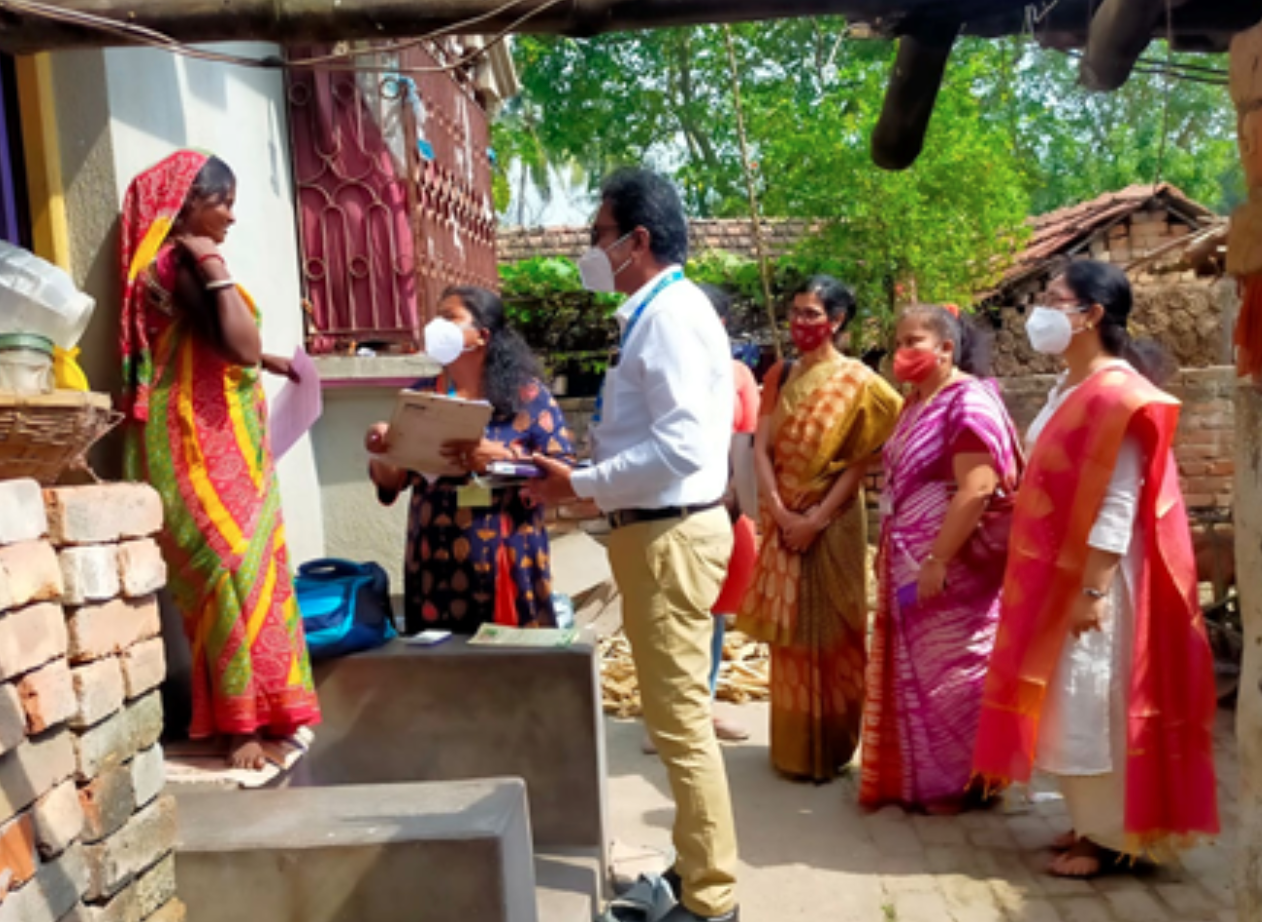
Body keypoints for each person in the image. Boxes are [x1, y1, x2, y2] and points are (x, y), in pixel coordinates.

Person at [527, 168, 739, 922]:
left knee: (680, 723)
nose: (591, 251)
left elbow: (678, 451)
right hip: (655, 533)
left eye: (597, 236)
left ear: (636, 241)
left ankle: (713, 901)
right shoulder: (654, 313)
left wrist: (580, 482)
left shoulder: (672, 316)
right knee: (671, 715)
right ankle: (692, 873)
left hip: (668, 533)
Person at [972, 260, 1219, 876]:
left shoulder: (1120, 396)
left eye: (1054, 299)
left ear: (1092, 315)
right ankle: (1088, 822)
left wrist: (1093, 589)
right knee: (1066, 700)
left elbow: (1120, 499)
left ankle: (1114, 837)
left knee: (1096, 702)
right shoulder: (1069, 389)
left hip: (1099, 579)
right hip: (1057, 573)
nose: (1041, 311)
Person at [119, 150, 320, 770]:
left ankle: (269, 711)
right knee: (226, 570)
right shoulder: (175, 263)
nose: (231, 215)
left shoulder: (188, 264)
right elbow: (237, 342)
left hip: (232, 444)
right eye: (221, 202)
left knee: (259, 569)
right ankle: (238, 726)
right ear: (187, 205)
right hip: (192, 446)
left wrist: (276, 364)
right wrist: (208, 257)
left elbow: (220, 341)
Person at [737, 276, 902, 783]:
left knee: (834, 628)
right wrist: (782, 515)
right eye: (796, 312)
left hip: (832, 523)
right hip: (782, 516)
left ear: (837, 320)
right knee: (789, 636)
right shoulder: (780, 374)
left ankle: (831, 747)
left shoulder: (860, 384)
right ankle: (791, 750)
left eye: (812, 314)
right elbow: (760, 449)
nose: (800, 323)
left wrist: (815, 519)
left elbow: (857, 466)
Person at [859, 304, 1022, 814]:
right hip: (911, 562)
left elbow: (977, 487)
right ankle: (925, 780)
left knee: (955, 670)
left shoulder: (967, 403)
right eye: (898, 342)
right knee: (921, 674)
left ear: (946, 349)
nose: (901, 353)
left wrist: (937, 559)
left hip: (952, 568)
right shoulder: (915, 404)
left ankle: (964, 785)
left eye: (914, 342)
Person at [365, 286, 575, 634]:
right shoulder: (420, 397)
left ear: (482, 336)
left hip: (507, 554)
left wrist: (502, 458)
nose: (436, 326)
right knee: (443, 670)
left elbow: (562, 471)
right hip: (434, 558)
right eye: (435, 317)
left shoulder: (527, 396)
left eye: (450, 318)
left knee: (511, 668)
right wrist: (383, 449)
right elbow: (390, 484)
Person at [643, 283, 757, 755]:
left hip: (725, 513)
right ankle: (666, 715)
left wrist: (738, 503)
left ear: (721, 326)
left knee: (711, 617)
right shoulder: (657, 368)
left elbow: (747, 447)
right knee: (667, 616)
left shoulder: (739, 377)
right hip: (666, 511)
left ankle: (702, 705)